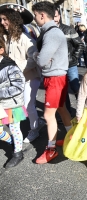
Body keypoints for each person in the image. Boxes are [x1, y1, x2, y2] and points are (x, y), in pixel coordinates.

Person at [32, 1, 72, 164]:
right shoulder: (51, 32)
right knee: (62, 109)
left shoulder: (51, 33)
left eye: (35, 15)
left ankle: (51, 150)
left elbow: (41, 60)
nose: (34, 18)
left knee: (49, 116)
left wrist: (34, 55)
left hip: (54, 79)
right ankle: (71, 138)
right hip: (57, 77)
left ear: (42, 15)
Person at [0, 7, 45, 143]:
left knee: (28, 104)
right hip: (12, 80)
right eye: (0, 19)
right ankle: (34, 124)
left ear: (13, 20)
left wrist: (16, 68)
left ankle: (34, 130)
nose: (2, 22)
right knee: (14, 106)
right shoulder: (4, 37)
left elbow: (34, 59)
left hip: (29, 78)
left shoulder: (25, 38)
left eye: (5, 19)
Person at [0, 38, 27, 168]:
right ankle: (14, 143)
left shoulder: (9, 66)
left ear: (1, 50)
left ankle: (18, 153)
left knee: (14, 128)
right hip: (1, 105)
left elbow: (18, 86)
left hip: (12, 104)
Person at [54, 8, 84, 115]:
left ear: (60, 16)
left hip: (70, 64)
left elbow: (80, 44)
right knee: (63, 91)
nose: (54, 18)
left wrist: (74, 58)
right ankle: (67, 113)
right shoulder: (46, 31)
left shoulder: (68, 29)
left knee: (75, 86)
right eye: (52, 16)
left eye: (56, 16)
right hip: (56, 67)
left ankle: (83, 111)